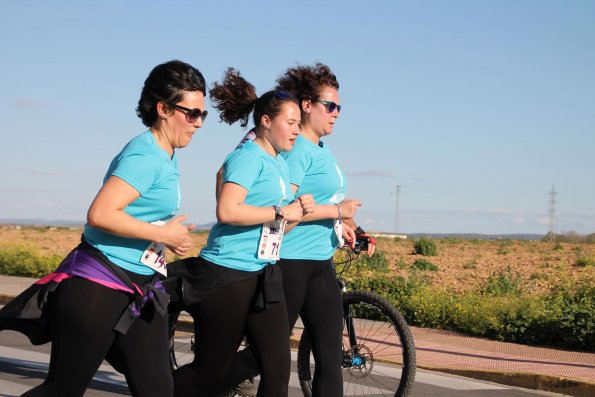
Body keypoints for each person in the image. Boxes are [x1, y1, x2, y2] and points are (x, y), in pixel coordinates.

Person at [0, 59, 206, 397]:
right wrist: (161, 234)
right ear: (164, 109)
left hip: (140, 290)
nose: (198, 123)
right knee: (62, 390)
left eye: (202, 114)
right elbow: (100, 213)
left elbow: (133, 214)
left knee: (157, 390)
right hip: (99, 287)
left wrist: (163, 235)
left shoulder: (165, 153)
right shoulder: (145, 156)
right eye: (192, 113)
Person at [215, 63, 377, 397]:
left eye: (339, 107)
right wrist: (337, 212)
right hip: (289, 262)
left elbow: (323, 200)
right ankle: (199, 386)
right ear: (307, 105)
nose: (336, 113)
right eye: (329, 106)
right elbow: (287, 209)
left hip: (319, 263)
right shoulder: (296, 150)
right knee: (264, 360)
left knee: (331, 358)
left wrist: (351, 226)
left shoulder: (320, 149)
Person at [168, 67, 314, 397]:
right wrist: (280, 211)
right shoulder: (247, 158)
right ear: (265, 121)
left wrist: (298, 215)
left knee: (277, 370)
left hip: (263, 275)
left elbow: (274, 223)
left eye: (297, 124)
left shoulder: (279, 163)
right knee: (209, 375)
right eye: (290, 123)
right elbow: (227, 210)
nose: (296, 130)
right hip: (228, 277)